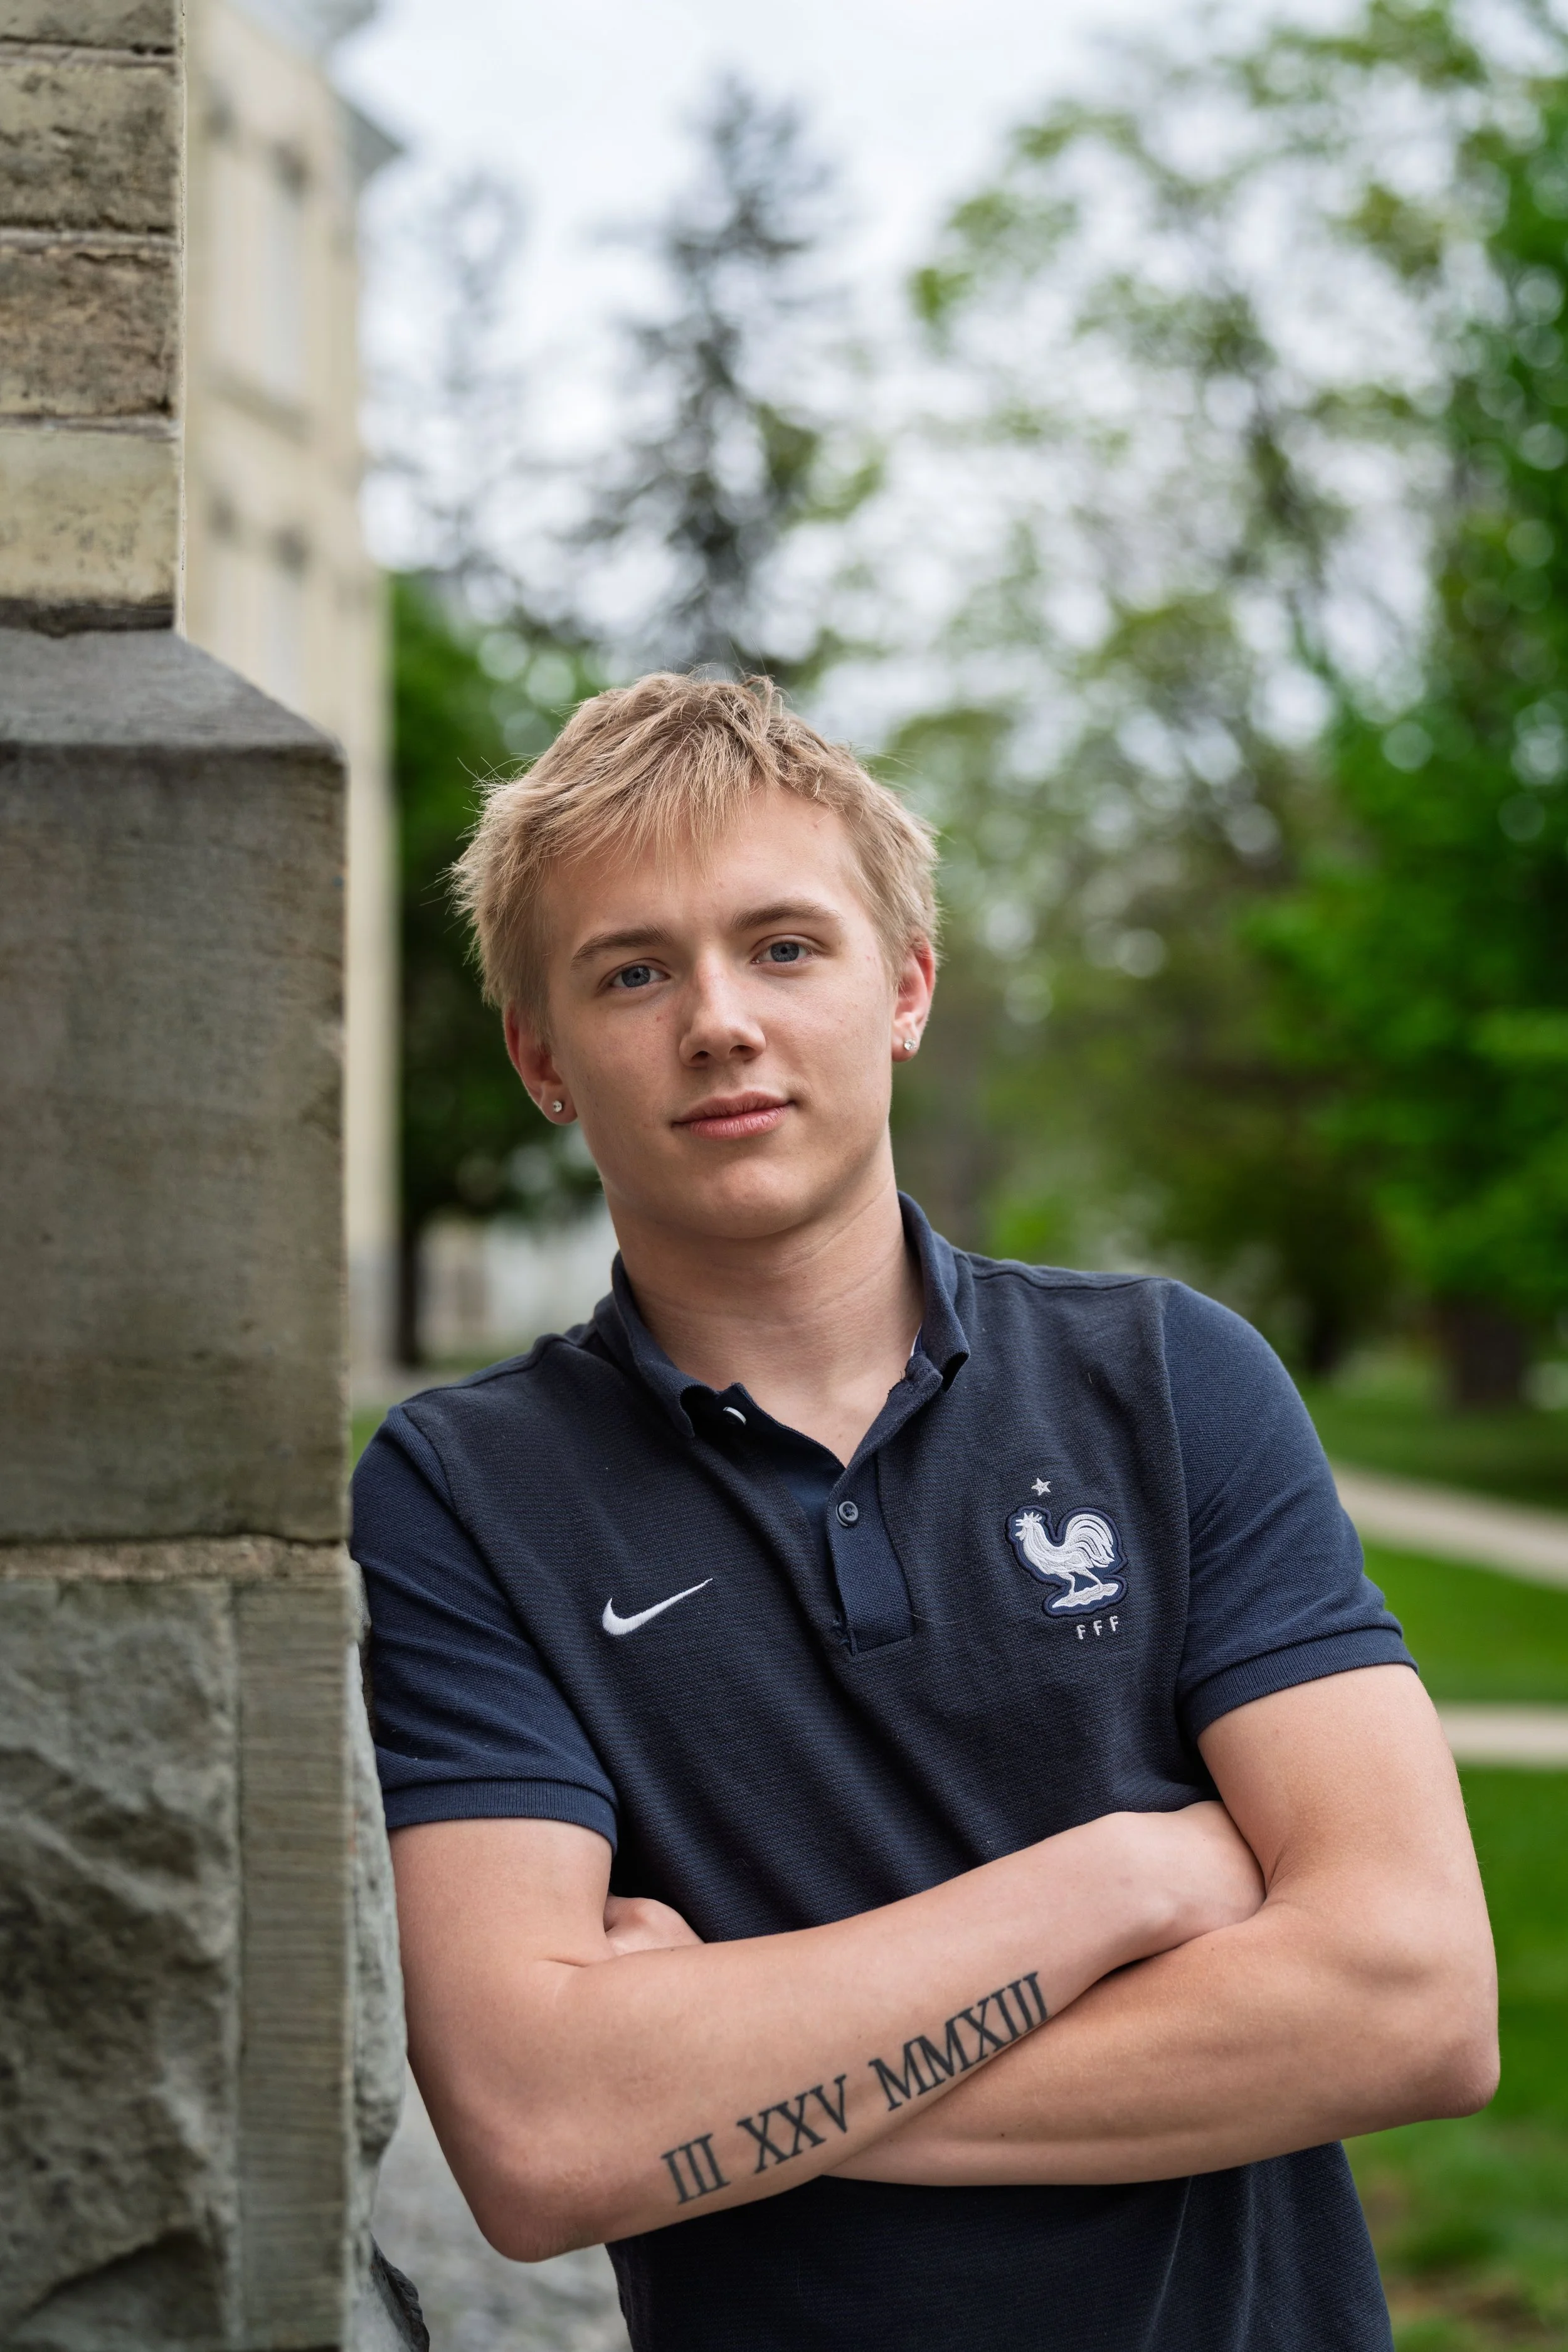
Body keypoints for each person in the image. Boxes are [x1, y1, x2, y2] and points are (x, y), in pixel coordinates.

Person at [354, 674, 1497, 2352]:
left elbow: (1412, 2002)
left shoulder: (1172, 1379)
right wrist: (1118, 1880)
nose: (718, 1019)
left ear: (903, 986)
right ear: (542, 1055)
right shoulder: (463, 1491)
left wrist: (709, 2093)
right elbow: (542, 2135)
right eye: (631, 969)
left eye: (784, 946)